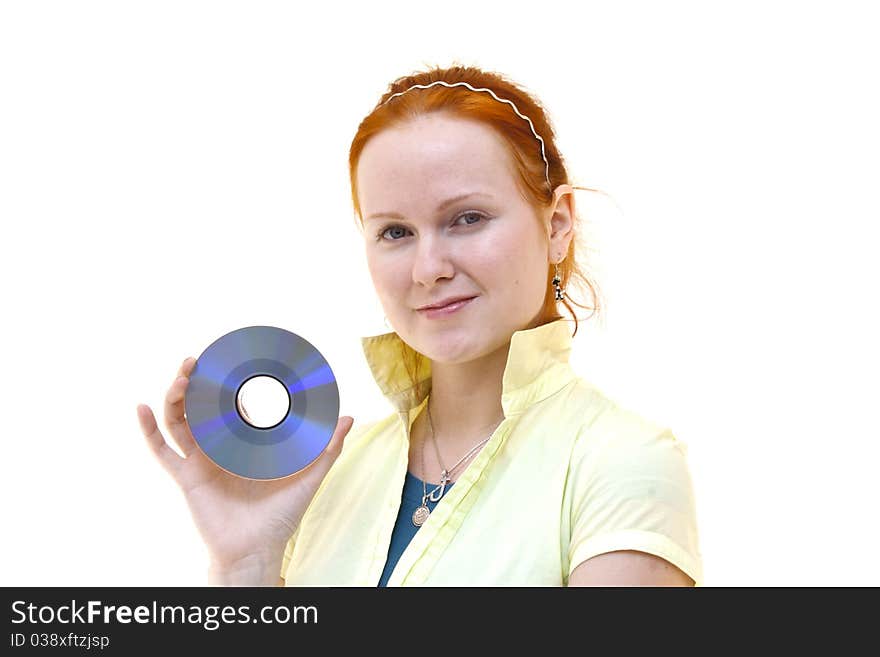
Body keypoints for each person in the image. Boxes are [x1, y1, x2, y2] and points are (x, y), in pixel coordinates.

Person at [136, 64, 702, 587]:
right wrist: (249, 563)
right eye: (395, 232)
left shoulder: (622, 462)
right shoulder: (331, 475)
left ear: (556, 225)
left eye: (467, 218)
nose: (429, 269)